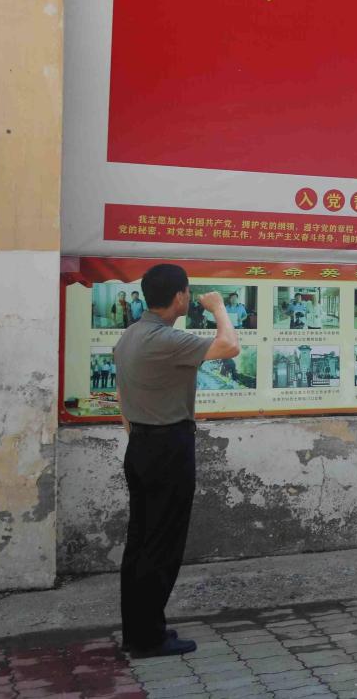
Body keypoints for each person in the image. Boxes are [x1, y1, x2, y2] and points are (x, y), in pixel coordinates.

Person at [114, 263, 239, 658]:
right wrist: (219, 308)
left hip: (141, 445)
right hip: (167, 446)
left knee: (140, 541)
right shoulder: (166, 338)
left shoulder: (131, 335)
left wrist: (138, 433)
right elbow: (229, 346)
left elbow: (121, 394)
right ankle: (149, 638)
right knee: (162, 545)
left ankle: (138, 630)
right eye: (188, 292)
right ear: (180, 296)